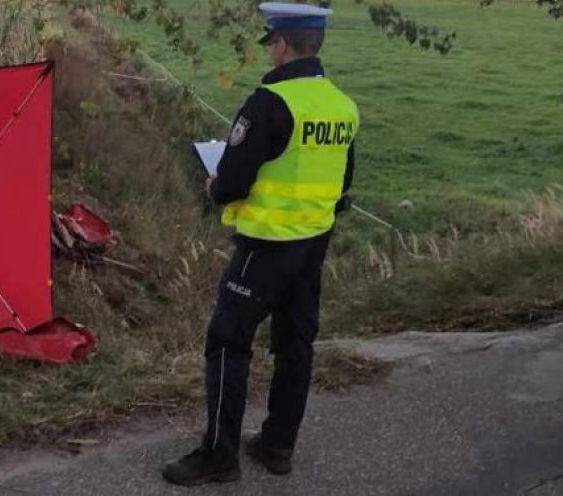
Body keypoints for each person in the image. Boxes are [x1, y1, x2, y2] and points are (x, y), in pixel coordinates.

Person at [162, 2, 359, 486]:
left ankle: (219, 454)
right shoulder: (342, 105)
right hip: (313, 244)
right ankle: (277, 445)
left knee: (228, 341)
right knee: (295, 344)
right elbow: (343, 182)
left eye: (270, 42)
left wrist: (214, 184)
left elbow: (230, 184)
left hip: (266, 245)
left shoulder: (269, 104)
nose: (270, 49)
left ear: (283, 44)